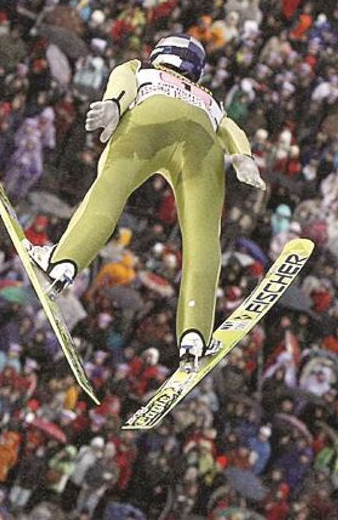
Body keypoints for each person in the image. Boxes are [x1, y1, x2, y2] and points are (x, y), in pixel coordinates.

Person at [29, 35, 265, 367]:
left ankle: (64, 262)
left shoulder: (144, 70)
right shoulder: (211, 100)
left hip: (152, 119)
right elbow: (231, 129)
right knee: (202, 238)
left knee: (110, 189)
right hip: (203, 139)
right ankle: (196, 334)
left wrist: (113, 105)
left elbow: (123, 80)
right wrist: (243, 157)